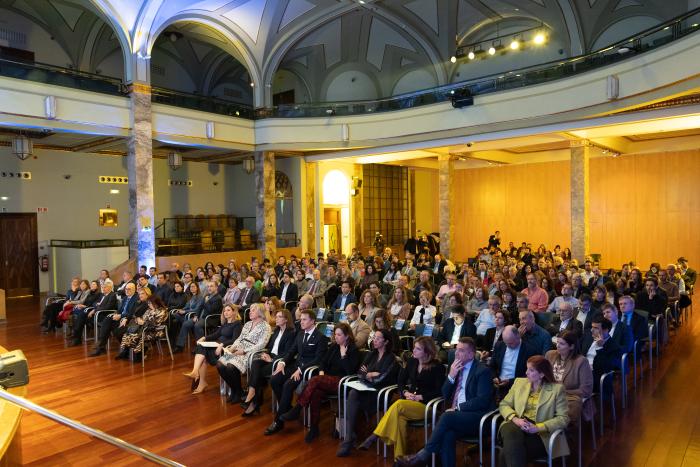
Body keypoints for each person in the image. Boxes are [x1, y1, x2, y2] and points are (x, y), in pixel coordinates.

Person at [395, 337, 495, 467]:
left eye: (461, 351)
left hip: (478, 417)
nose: (456, 353)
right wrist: (451, 376)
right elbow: (444, 394)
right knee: (448, 435)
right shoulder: (456, 368)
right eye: (456, 350)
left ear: (471, 354)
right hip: (457, 417)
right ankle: (427, 459)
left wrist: (458, 408)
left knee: (447, 416)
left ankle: (422, 456)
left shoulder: (482, 371)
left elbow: (482, 401)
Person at [358, 337, 446, 460]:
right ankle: (398, 459)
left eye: (418, 349)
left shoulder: (438, 367)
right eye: (414, 347)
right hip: (409, 402)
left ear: (427, 352)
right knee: (400, 419)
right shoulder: (412, 362)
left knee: (398, 404)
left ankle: (374, 436)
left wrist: (421, 396)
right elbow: (400, 380)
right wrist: (404, 392)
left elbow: (440, 391)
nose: (413, 350)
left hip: (428, 406)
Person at [280, 322, 361, 443]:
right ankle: (314, 428)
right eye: (335, 334)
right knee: (316, 393)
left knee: (315, 380)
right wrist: (322, 372)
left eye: (339, 335)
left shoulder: (354, 350)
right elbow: (322, 361)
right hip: (327, 378)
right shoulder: (334, 347)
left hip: (343, 382)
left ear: (347, 336)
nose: (336, 337)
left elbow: (350, 371)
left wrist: (344, 356)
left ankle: (297, 408)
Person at [265, 309, 329, 436]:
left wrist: (301, 369)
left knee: (288, 384)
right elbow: (292, 351)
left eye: (304, 319)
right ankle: (287, 408)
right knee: (274, 380)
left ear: (312, 321)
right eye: (301, 319)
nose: (301, 322)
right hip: (296, 366)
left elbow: (318, 359)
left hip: (308, 370)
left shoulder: (321, 338)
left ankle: (278, 421)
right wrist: (282, 362)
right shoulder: (300, 333)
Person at [336, 328, 398, 457]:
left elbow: (382, 378)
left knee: (353, 395)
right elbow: (359, 373)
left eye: (378, 338)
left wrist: (368, 374)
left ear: (386, 342)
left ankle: (349, 438)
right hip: (366, 389)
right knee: (352, 393)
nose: (374, 340)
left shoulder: (391, 358)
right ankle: (349, 437)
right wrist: (369, 374)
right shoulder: (371, 354)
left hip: (380, 394)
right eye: (374, 337)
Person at [498, 356, 570, 467]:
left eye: (531, 370)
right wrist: (515, 419)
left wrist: (537, 427)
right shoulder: (519, 382)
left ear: (542, 374)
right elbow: (504, 404)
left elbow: (563, 419)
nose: (526, 373)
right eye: (527, 369)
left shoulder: (557, 389)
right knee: (511, 432)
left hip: (539, 433)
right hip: (515, 423)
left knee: (506, 453)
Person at [241, 309, 296, 417]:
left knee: (259, 372)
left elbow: (288, 353)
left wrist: (272, 360)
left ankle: (253, 399)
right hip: (271, 356)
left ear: (286, 320)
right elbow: (270, 347)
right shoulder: (276, 331)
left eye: (279, 317)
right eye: (276, 316)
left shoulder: (291, 333)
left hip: (280, 361)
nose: (276, 319)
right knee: (256, 362)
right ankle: (253, 397)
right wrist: (267, 355)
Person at [216, 303, 272, 403]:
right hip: (239, 349)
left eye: (253, 310)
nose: (250, 312)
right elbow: (240, 338)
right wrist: (232, 347)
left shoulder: (266, 326)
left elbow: (262, 344)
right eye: (250, 309)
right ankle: (236, 390)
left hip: (250, 352)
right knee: (220, 364)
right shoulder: (247, 324)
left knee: (230, 366)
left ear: (260, 312)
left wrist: (244, 351)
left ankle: (237, 392)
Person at [184, 305, 243, 395]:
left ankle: (198, 376)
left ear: (234, 312)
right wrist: (204, 338)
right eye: (224, 311)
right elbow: (216, 335)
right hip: (218, 347)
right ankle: (198, 376)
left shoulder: (237, 324)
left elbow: (235, 340)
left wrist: (222, 345)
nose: (226, 312)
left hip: (226, 350)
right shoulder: (225, 324)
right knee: (201, 347)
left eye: (228, 310)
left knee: (202, 352)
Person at [545, 331, 593, 422]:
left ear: (571, 346)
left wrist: (560, 391)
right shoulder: (550, 355)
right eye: (557, 342)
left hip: (568, 399)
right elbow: (542, 376)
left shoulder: (581, 361)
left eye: (562, 344)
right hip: (547, 395)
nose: (557, 346)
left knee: (550, 414)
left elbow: (586, 391)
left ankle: (555, 432)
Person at [88, 281, 137, 356]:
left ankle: (101, 347)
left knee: (112, 327)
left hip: (128, 320)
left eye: (129, 289)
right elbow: (120, 310)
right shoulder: (125, 298)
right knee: (108, 319)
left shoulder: (136, 299)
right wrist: (116, 314)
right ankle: (101, 347)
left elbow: (132, 313)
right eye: (126, 289)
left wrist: (120, 316)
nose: (127, 290)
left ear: (134, 290)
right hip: (120, 317)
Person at [116, 295, 169, 362]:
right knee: (127, 334)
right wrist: (138, 320)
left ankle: (137, 354)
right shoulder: (149, 310)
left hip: (155, 331)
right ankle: (126, 352)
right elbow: (143, 318)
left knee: (137, 336)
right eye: (148, 303)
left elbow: (155, 324)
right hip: (144, 329)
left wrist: (143, 323)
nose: (149, 305)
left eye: (150, 303)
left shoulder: (162, 311)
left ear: (156, 303)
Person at [490, 325, 536, 396]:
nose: (508, 346)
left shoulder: (530, 350)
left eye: (510, 343)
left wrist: (510, 381)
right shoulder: (499, 345)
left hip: (518, 385)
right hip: (498, 382)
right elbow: (491, 366)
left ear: (518, 336)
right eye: (506, 343)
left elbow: (530, 375)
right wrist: (494, 377)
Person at [581, 316, 622, 392]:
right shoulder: (588, 337)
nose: (591, 330)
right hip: (581, 369)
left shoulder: (614, 347)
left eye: (596, 328)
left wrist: (600, 348)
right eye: (592, 327)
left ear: (605, 330)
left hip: (596, 375)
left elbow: (604, 368)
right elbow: (579, 353)